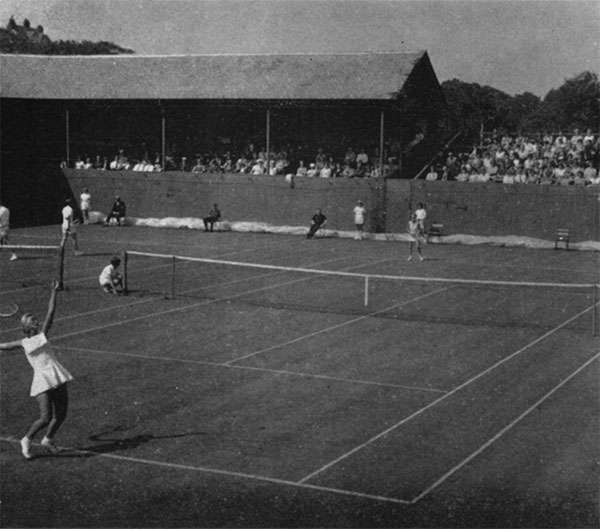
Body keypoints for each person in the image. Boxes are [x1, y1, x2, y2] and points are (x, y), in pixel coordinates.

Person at [0, 280, 74, 459]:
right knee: (45, 417)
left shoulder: (43, 335)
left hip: (56, 375)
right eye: (33, 321)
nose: (37, 321)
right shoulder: (23, 343)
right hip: (42, 380)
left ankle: (48, 440)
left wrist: (54, 292)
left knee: (62, 414)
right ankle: (26, 440)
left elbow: (51, 312)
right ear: (26, 326)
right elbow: (3, 345)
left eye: (36, 320)